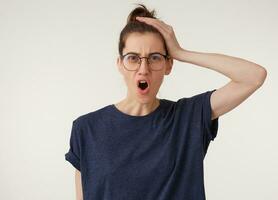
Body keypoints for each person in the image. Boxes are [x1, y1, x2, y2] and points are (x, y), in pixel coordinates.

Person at [65, 3, 267, 200]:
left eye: (154, 58)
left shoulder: (188, 118)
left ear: (168, 65)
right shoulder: (86, 129)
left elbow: (254, 76)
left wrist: (181, 53)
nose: (143, 69)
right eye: (133, 58)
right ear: (120, 64)